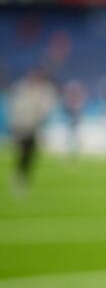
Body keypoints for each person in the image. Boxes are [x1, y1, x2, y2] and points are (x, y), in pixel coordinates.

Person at [6, 68, 57, 197]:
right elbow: (16, 108)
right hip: (22, 127)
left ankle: (21, 177)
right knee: (24, 153)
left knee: (30, 155)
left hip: (32, 128)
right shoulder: (22, 88)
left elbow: (45, 108)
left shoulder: (41, 91)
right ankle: (19, 178)